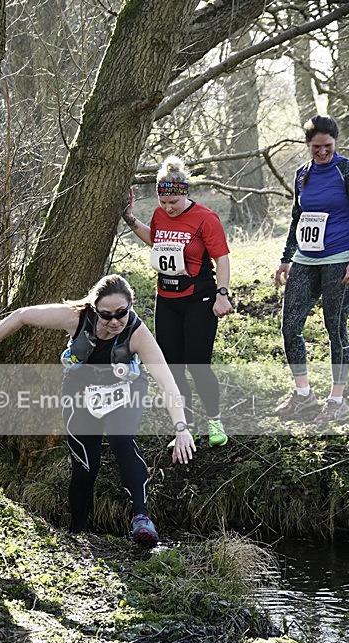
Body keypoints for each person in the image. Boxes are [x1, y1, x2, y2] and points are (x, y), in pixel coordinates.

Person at [0, 274, 195, 547]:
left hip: (125, 390)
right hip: (81, 392)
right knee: (85, 467)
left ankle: (141, 518)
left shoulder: (137, 333)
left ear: (130, 307)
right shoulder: (74, 318)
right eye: (106, 315)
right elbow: (21, 315)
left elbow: (166, 381)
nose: (114, 322)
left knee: (121, 439)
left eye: (121, 314)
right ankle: (77, 532)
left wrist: (181, 428)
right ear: (94, 309)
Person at [122, 155, 232, 447]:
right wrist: (131, 219)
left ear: (185, 193)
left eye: (174, 202)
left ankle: (214, 420)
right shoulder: (160, 216)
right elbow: (156, 241)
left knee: (198, 364)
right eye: (163, 202)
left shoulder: (206, 218)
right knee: (173, 366)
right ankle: (187, 425)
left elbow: (221, 258)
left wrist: (222, 294)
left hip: (200, 297)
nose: (168, 208)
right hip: (167, 299)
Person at [274, 115, 349, 422]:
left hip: (339, 258)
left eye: (328, 147)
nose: (322, 152)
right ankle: (303, 395)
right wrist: (286, 258)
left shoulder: (346, 170)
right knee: (290, 326)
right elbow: (298, 217)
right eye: (316, 147)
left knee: (336, 330)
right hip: (305, 260)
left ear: (336, 143)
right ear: (307, 145)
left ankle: (337, 400)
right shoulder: (302, 174)